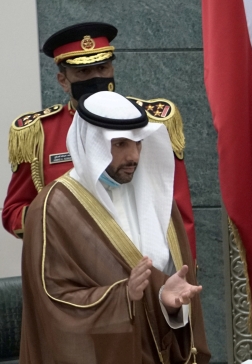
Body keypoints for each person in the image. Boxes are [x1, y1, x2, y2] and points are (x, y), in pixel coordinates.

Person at [17, 91, 210, 364]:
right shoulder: (53, 208)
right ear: (91, 143)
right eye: (119, 144)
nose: (132, 155)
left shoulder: (158, 201)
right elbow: (52, 302)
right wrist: (122, 297)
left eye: (137, 143)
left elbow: (168, 288)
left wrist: (167, 302)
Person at [4, 22, 197, 257]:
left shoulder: (150, 122)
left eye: (103, 68)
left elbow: (176, 206)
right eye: (83, 72)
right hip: (76, 262)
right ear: (63, 80)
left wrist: (186, 269)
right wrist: (56, 217)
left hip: (148, 259)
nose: (96, 77)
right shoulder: (39, 133)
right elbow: (13, 212)